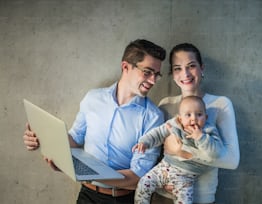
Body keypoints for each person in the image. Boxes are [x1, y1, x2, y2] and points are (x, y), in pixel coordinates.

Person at [23, 39, 166, 204]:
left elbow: (137, 177)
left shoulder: (153, 117)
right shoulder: (93, 98)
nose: (153, 80)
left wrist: (81, 171)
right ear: (125, 67)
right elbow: (75, 139)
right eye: (147, 72)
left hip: (123, 200)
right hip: (86, 196)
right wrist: (41, 138)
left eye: (157, 74)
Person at [154, 43, 240, 204]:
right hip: (163, 197)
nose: (185, 73)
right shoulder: (165, 105)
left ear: (202, 68)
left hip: (202, 199)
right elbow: (155, 154)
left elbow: (232, 161)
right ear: (172, 73)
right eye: (177, 68)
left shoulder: (220, 104)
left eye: (191, 66)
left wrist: (181, 152)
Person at [133, 95, 224, 204]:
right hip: (164, 167)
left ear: (206, 117)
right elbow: (158, 133)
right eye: (188, 115)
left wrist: (201, 137)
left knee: (184, 201)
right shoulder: (175, 124)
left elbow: (216, 153)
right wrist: (144, 142)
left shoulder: (208, 130)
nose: (194, 118)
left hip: (186, 177)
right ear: (180, 118)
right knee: (144, 184)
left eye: (199, 114)